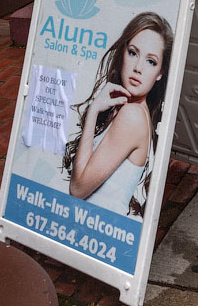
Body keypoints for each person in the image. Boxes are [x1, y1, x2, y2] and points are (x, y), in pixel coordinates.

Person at [62, 12, 174, 218]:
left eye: (151, 61)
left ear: (160, 73)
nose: (138, 68)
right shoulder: (130, 108)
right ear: (123, 53)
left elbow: (77, 189)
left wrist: (94, 110)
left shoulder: (132, 115)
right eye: (133, 53)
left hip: (95, 233)